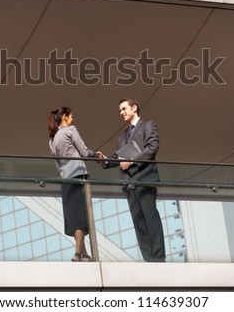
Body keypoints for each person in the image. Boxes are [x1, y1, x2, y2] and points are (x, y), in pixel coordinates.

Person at [103, 97, 165, 262]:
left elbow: (152, 148)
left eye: (124, 109)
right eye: (120, 111)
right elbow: (116, 157)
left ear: (134, 107)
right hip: (129, 184)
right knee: (138, 223)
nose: (122, 113)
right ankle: (149, 259)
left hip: (144, 178)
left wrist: (131, 161)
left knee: (151, 218)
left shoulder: (148, 125)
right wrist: (105, 161)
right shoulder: (121, 137)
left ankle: (159, 258)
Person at [48, 106, 104, 262]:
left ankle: (85, 254)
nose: (73, 119)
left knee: (73, 216)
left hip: (65, 178)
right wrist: (96, 154)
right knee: (80, 215)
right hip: (78, 174)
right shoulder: (70, 130)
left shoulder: (52, 140)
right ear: (65, 117)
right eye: (71, 116)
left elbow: (58, 165)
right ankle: (77, 253)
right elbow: (84, 153)